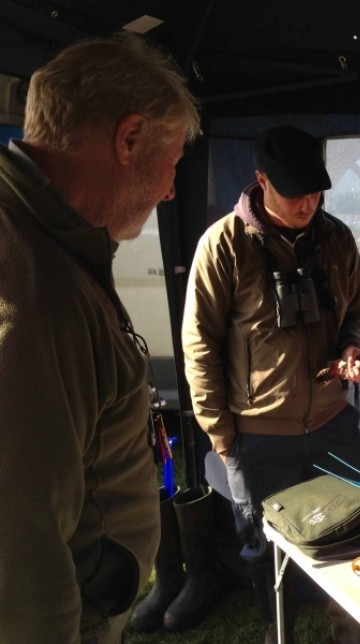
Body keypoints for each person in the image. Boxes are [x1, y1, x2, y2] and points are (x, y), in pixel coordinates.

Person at [0, 33, 201, 644]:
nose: (171, 189)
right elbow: (17, 543)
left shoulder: (46, 241)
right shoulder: (28, 285)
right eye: (170, 165)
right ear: (129, 138)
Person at [181, 125, 360, 643]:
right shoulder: (223, 245)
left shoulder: (336, 239)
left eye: (316, 191)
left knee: (353, 532)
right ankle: (280, 634)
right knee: (265, 550)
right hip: (257, 434)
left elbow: (355, 309)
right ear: (261, 180)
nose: (308, 203)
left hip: (333, 422)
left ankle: (353, 633)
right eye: (295, 192)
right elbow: (199, 347)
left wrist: (351, 349)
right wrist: (222, 437)